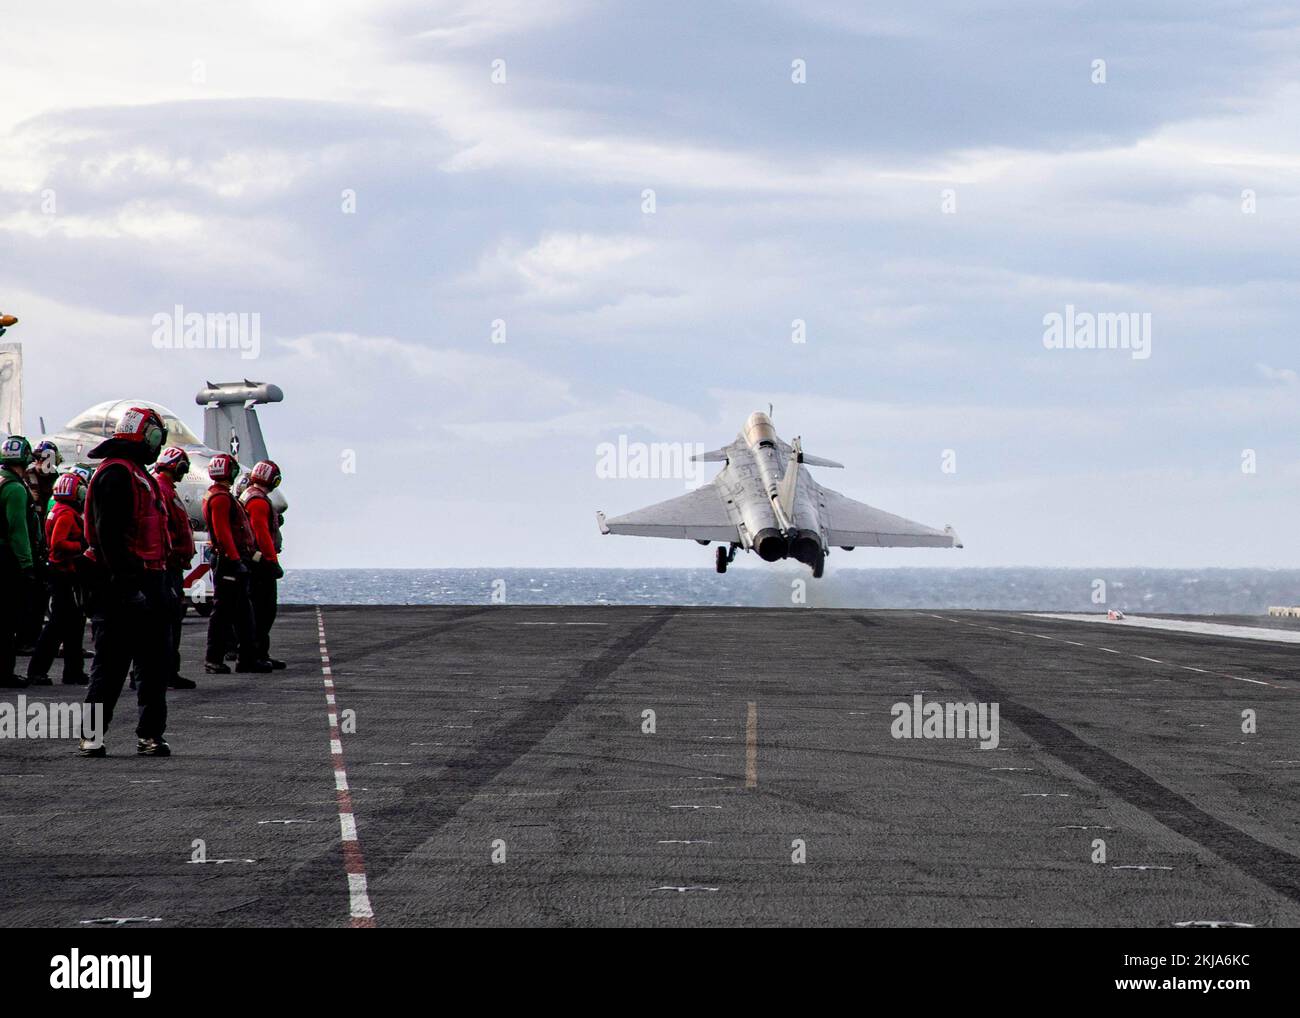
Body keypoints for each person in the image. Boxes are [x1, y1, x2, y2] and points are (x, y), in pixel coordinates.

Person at [80, 407, 174, 757]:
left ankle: (150, 734)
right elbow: (109, 536)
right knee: (110, 666)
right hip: (122, 585)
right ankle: (94, 736)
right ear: (146, 436)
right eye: (156, 438)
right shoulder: (117, 475)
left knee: (153, 667)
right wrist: (128, 585)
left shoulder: (135, 474)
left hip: (149, 581)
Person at [202, 453, 269, 674]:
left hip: (232, 560)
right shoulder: (220, 498)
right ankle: (215, 659)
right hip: (229, 563)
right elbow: (222, 532)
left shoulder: (221, 496)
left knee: (242, 613)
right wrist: (235, 558)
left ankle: (246, 658)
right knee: (224, 612)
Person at [27, 471, 89, 686]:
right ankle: (38, 671)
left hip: (61, 573)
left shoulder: (57, 509)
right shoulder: (67, 514)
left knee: (73, 623)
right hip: (65, 574)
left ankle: (73, 671)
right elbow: (58, 543)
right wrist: (81, 546)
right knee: (59, 624)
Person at [153, 446, 197, 689]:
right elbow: (163, 528)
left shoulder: (166, 489)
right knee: (167, 623)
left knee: (170, 621)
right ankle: (163, 672)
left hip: (171, 566)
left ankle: (167, 671)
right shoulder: (162, 490)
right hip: (167, 568)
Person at [0, 435, 40, 688]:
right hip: (8, 561)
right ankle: (5, 672)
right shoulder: (15, 488)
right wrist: (27, 565)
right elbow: (18, 530)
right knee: (8, 620)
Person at [241, 460, 285, 669]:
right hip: (260, 563)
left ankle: (260, 653)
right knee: (263, 610)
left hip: (255, 561)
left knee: (260, 611)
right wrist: (272, 561)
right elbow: (262, 534)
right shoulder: (258, 501)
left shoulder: (250, 496)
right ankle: (253, 656)